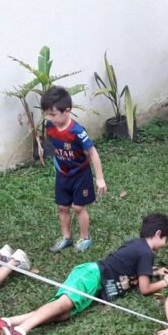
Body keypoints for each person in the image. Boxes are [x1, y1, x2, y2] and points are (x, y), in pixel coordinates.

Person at [0, 213, 168, 335]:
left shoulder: (138, 246)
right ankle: (20, 332)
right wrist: (164, 282)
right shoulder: (146, 252)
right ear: (158, 234)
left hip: (93, 281)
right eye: (166, 241)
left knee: (62, 314)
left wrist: (153, 271)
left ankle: (5, 322)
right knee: (62, 305)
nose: (165, 245)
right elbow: (145, 289)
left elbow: (129, 267)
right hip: (92, 276)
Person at [41, 86, 107, 253]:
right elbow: (56, 146)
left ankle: (85, 238)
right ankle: (66, 237)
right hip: (63, 174)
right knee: (62, 207)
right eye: (47, 114)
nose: (49, 118)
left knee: (78, 208)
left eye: (53, 114)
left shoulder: (77, 132)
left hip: (80, 175)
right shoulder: (50, 126)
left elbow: (92, 153)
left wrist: (99, 178)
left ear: (67, 111)